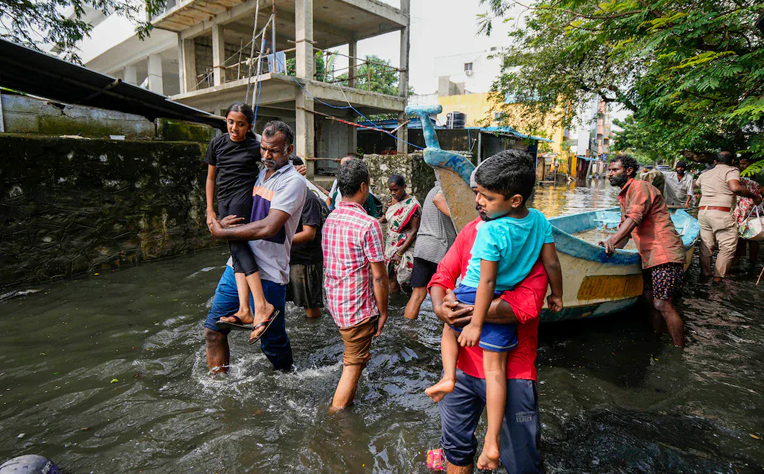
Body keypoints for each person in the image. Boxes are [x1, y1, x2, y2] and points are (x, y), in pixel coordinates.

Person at [425, 151, 563, 471]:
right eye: (477, 194)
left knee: (521, 463)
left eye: (485, 196)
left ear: (513, 200)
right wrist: (439, 306)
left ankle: (495, 446)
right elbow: (440, 277)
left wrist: (465, 311)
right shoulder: (474, 230)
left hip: (512, 371)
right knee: (456, 452)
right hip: (462, 367)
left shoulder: (517, 234)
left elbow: (525, 307)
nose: (478, 202)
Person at [204, 121, 307, 373]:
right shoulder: (260, 173)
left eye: (274, 151)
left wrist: (222, 232)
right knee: (213, 331)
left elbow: (269, 227)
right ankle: (219, 390)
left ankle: (288, 380)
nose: (267, 156)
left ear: (289, 149)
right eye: (263, 149)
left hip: (269, 273)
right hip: (238, 267)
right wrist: (225, 220)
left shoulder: (293, 182)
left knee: (272, 344)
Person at [322, 159, 389, 411]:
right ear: (363, 187)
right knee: (353, 365)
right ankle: (334, 417)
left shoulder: (330, 219)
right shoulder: (368, 224)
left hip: (336, 304)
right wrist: (383, 312)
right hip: (356, 310)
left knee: (352, 357)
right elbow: (380, 277)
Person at [204, 103, 276, 335]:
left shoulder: (255, 146)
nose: (234, 128)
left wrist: (296, 167)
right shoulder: (217, 144)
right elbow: (211, 179)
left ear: (250, 126)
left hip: (242, 201)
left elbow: (273, 157)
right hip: (223, 202)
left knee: (239, 247)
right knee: (236, 252)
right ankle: (245, 309)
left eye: (241, 124)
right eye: (230, 122)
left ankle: (261, 305)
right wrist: (209, 210)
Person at [601, 155, 686, 347]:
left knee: (662, 303)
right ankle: (656, 340)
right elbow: (626, 230)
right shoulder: (624, 195)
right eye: (610, 170)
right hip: (649, 256)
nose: (610, 174)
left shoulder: (640, 187)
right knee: (650, 300)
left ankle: (679, 350)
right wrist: (611, 247)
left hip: (665, 253)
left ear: (629, 171)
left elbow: (633, 219)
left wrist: (612, 240)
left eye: (615, 170)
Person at [694, 151, 762, 281]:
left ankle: (705, 274)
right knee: (727, 246)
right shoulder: (731, 171)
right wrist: (755, 197)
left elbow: (695, 186)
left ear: (715, 162)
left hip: (703, 212)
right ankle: (718, 279)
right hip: (721, 212)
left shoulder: (705, 173)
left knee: (706, 245)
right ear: (732, 162)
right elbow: (735, 188)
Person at [403, 181, 457, 319]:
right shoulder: (446, 189)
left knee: (417, 294)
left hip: (422, 247)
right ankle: (446, 333)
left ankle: (408, 329)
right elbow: (438, 200)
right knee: (447, 293)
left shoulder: (432, 190)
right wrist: (460, 221)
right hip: (439, 248)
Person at [287, 188, 329, 319]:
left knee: (310, 306)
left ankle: (315, 334)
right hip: (288, 256)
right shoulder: (284, 194)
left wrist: (278, 240)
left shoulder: (309, 198)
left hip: (305, 260)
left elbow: (309, 233)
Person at [379, 174, 421, 291]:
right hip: (390, 244)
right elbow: (385, 218)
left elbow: (414, 231)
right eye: (391, 190)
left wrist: (400, 252)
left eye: (396, 190)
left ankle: (406, 304)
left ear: (404, 187)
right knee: (391, 276)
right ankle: (395, 304)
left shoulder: (413, 206)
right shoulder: (390, 200)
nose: (393, 193)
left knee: (405, 279)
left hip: (405, 246)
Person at [733, 157, 764, 267]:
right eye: (741, 164)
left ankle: (751, 261)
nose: (742, 166)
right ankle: (740, 260)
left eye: (744, 163)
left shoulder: (759, 175)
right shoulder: (738, 176)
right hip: (742, 209)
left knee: (753, 234)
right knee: (740, 234)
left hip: (752, 208)